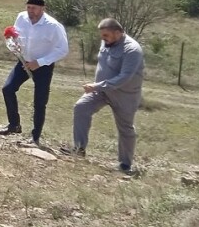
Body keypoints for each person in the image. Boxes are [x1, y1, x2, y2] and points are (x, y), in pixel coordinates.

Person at [61, 18, 145, 174]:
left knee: (125, 128)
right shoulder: (106, 42)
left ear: (118, 33)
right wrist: (98, 86)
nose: (102, 38)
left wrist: (97, 85)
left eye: (106, 35)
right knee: (81, 107)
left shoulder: (132, 50)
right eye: (102, 35)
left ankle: (125, 164)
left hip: (124, 95)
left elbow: (124, 77)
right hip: (101, 91)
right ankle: (79, 149)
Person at [0, 0, 69, 145]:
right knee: (8, 89)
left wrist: (40, 62)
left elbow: (62, 49)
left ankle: (35, 137)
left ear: (43, 8)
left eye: (34, 8)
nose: (30, 11)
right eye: (28, 7)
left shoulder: (53, 26)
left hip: (43, 66)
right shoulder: (21, 17)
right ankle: (14, 125)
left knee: (39, 101)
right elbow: (15, 34)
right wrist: (13, 44)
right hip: (24, 61)